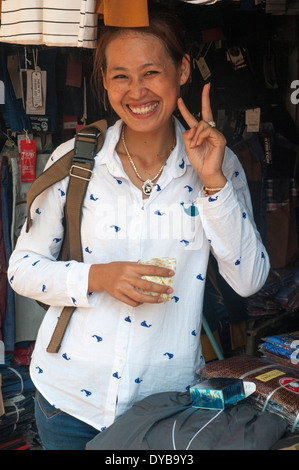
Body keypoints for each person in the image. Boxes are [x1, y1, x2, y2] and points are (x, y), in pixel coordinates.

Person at [8, 8, 270, 450]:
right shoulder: (77, 161)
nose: (137, 92)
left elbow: (249, 282)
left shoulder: (218, 165)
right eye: (121, 76)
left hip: (164, 407)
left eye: (152, 72)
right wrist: (97, 277)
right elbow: (22, 269)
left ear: (182, 69)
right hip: (68, 402)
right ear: (105, 81)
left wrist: (213, 186)